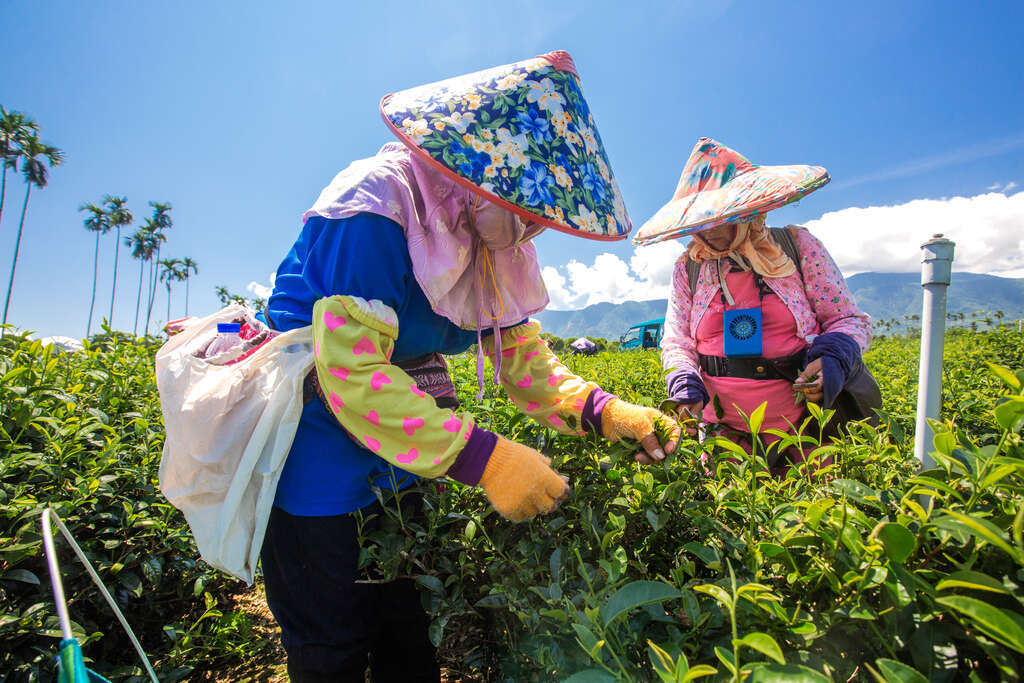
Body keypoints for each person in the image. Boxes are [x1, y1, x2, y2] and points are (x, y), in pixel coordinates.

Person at [258, 51, 680, 682]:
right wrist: (487, 459)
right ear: (482, 172)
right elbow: (348, 375)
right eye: (530, 207)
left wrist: (606, 413)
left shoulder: (491, 241)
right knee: (332, 643)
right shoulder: (374, 209)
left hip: (410, 455)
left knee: (409, 633)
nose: (534, 228)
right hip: (316, 451)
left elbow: (525, 364)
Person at [632, 138, 872, 473]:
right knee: (735, 514)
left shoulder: (795, 246)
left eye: (725, 215)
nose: (713, 229)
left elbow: (848, 319)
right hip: (723, 434)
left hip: (805, 428)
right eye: (704, 220)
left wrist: (832, 358)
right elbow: (677, 341)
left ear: (751, 209)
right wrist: (684, 382)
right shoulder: (689, 267)